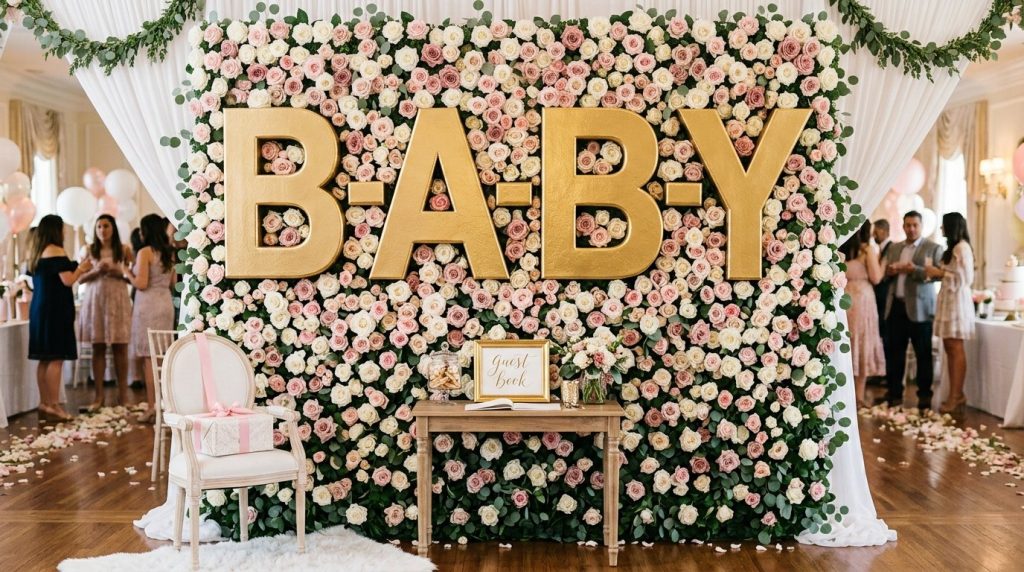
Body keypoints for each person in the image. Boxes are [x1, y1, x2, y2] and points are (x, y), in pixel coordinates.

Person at [27, 215, 93, 421]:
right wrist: (82, 268)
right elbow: (68, 280)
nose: (64, 232)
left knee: (44, 358)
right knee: (56, 358)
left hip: (39, 309)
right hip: (54, 310)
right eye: (62, 228)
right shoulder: (56, 250)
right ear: (55, 230)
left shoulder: (37, 252)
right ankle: (54, 405)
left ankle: (44, 403)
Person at [881, 211, 944, 409]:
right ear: (903, 226)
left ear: (921, 226)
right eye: (908, 225)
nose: (911, 229)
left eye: (915, 225)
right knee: (894, 353)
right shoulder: (895, 248)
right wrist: (890, 271)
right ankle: (894, 394)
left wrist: (913, 270)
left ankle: (924, 397)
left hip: (921, 309)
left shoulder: (933, 248)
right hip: (896, 306)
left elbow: (938, 275)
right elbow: (884, 273)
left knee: (923, 354)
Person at [125, 214, 177, 423]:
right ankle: (166, 404)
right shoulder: (169, 252)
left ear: (146, 231)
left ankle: (152, 407)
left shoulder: (145, 252)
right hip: (165, 303)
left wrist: (126, 272)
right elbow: (173, 283)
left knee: (149, 358)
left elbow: (141, 283)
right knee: (163, 357)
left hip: (148, 306)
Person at [78, 214, 133, 411]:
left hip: (118, 299)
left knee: (120, 347)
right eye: (99, 227)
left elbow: (134, 278)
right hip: (96, 300)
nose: (102, 230)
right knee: (98, 346)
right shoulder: (88, 250)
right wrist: (97, 271)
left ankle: (123, 395)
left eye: (106, 226)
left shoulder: (124, 250)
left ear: (113, 228)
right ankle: (99, 396)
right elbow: (79, 278)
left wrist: (119, 273)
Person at [926, 213, 975, 413]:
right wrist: (938, 274)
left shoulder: (962, 247)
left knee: (955, 348)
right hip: (948, 300)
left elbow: (965, 279)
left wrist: (939, 273)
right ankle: (955, 394)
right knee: (949, 347)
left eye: (943, 225)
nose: (941, 229)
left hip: (957, 302)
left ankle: (957, 395)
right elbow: (952, 274)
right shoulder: (953, 248)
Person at [840, 222, 886, 408]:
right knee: (861, 343)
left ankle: (846, 396)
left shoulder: (839, 249)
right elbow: (876, 277)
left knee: (849, 344)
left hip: (845, 299)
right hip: (861, 301)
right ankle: (858, 397)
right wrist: (883, 264)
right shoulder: (867, 250)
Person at [872, 219, 893, 335]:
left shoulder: (891, 248)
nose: (873, 234)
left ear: (884, 231)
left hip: (886, 293)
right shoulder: (880, 248)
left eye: (876, 231)